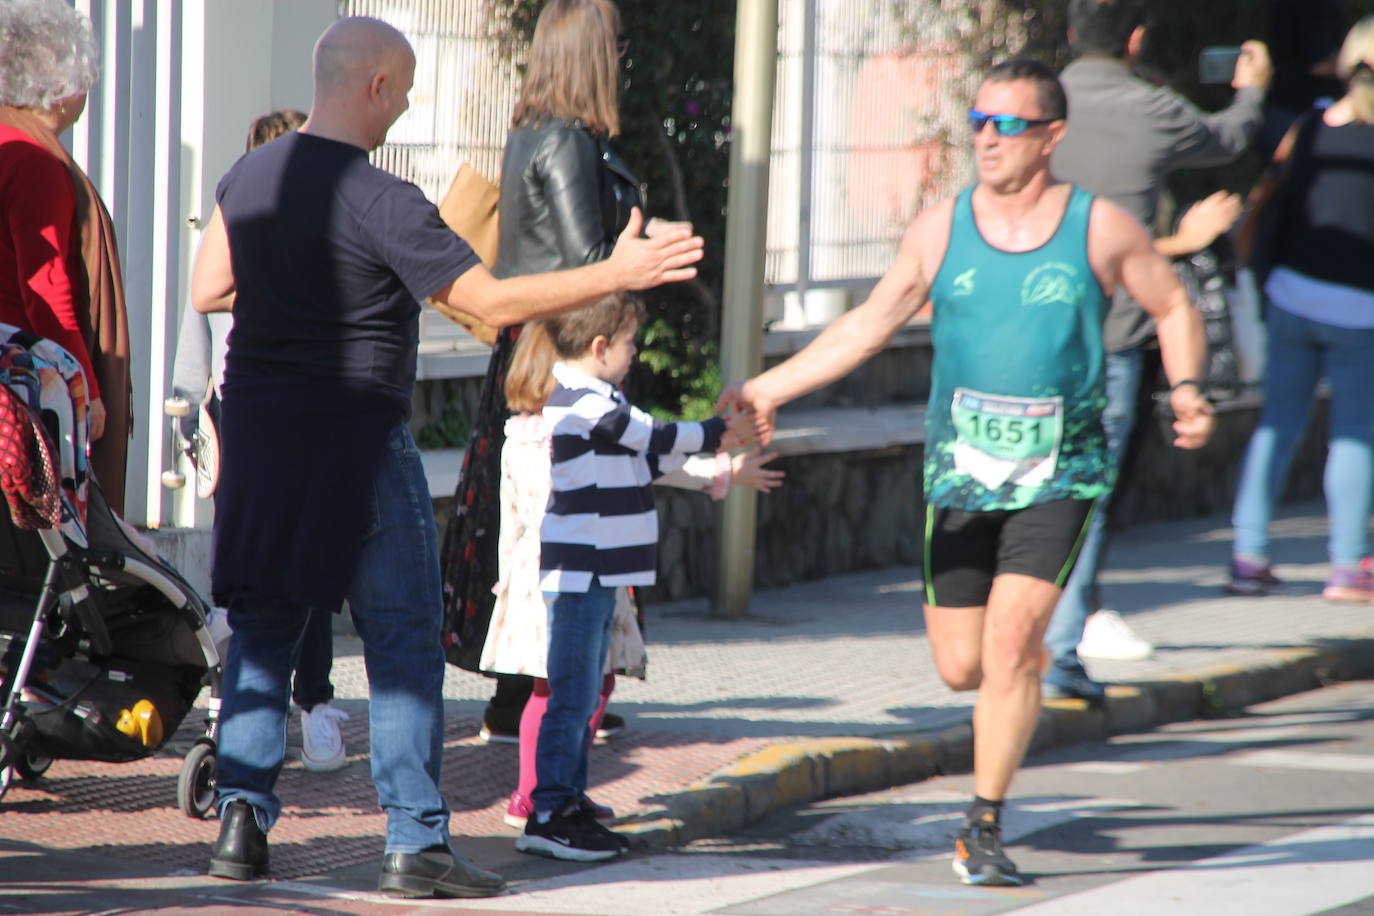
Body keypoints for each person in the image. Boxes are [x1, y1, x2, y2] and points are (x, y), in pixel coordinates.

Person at [190, 16, 704, 898]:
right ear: (377, 88)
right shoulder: (383, 199)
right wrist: (615, 276)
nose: (411, 102)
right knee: (399, 642)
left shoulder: (252, 174)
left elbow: (209, 287)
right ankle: (416, 843)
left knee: (265, 630)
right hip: (358, 440)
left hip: (265, 436)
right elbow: (497, 302)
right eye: (408, 85)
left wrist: (299, 291)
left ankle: (241, 819)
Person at [722, 59, 1213, 887]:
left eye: (1008, 125)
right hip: (961, 473)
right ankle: (1003, 703)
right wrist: (768, 385)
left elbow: (1171, 304)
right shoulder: (940, 228)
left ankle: (982, 823)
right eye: (979, 121)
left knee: (1016, 644)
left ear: (1052, 136)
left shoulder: (1100, 227)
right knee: (961, 664)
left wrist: (1191, 388)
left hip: (1062, 471)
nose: (987, 138)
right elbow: (869, 326)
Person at [440, 0, 673, 745]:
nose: (623, 57)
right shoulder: (568, 141)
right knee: (564, 535)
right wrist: (641, 253)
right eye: (614, 46)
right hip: (562, 352)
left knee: (527, 530)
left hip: (530, 348)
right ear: (592, 56)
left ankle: (533, 698)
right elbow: (588, 266)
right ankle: (543, 705)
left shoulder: (532, 132)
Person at [1043, 0, 1270, 700]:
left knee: (1025, 491)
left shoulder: (1029, 111)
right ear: (1136, 40)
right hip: (1112, 337)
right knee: (1086, 499)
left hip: (1026, 334)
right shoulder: (1153, 109)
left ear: (1073, 36)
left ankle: (1025, 642)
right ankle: (1057, 654)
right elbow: (1230, 138)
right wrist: (1253, 87)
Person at [484, 320, 781, 832]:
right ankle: (538, 796)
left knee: (578, 687)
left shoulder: (559, 428)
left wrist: (722, 470)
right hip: (564, 570)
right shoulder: (562, 425)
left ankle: (561, 791)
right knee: (564, 690)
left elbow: (650, 462)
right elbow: (651, 452)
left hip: (567, 568)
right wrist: (719, 442)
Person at [170, 109, 350, 773]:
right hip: (245, 417)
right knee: (262, 572)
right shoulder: (234, 237)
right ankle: (258, 707)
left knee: (294, 570)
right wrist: (192, 414)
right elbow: (198, 335)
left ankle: (309, 706)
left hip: (292, 419)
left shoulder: (324, 243)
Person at [1228, 17, 1374, 602]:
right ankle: (1345, 567)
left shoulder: (1309, 127)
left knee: (1275, 427)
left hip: (1290, 296)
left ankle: (1248, 555)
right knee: (1355, 436)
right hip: (1361, 310)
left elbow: (1268, 197)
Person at [0, 0, 131, 514]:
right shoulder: (34, 162)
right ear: (62, 83)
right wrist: (87, 391)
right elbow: (48, 290)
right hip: (30, 390)